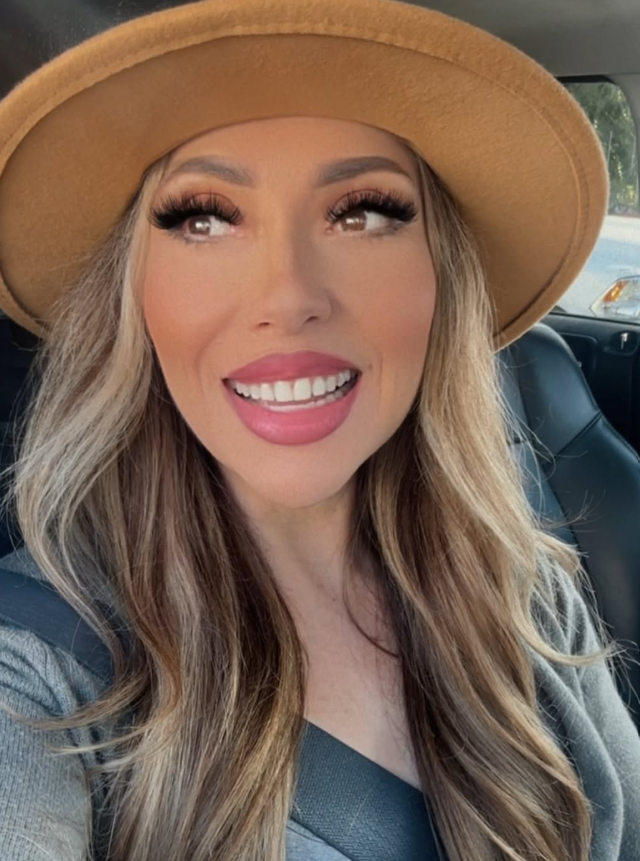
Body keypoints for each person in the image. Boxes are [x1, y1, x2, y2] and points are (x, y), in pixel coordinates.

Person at [0, 0, 638, 859]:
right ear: (134, 293)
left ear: (439, 274)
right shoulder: (37, 666)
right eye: (204, 216)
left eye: (364, 210)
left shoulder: (523, 589)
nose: (289, 296)